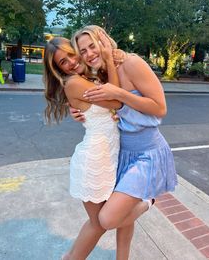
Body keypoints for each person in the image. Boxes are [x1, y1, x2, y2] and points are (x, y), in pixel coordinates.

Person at [69, 25, 178, 257]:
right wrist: (80, 113)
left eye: (92, 46)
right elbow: (106, 113)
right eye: (83, 51)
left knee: (108, 219)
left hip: (147, 153)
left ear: (104, 41)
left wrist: (119, 94)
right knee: (123, 218)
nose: (89, 54)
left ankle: (148, 201)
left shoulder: (131, 63)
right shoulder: (100, 74)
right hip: (121, 154)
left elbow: (160, 108)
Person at [44, 36, 141, 260]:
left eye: (71, 53)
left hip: (113, 155)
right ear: (58, 70)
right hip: (96, 160)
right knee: (99, 224)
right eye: (62, 62)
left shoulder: (87, 77)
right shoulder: (75, 83)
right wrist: (107, 58)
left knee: (121, 215)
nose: (70, 61)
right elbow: (117, 101)